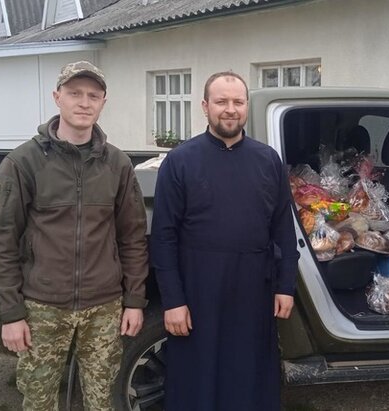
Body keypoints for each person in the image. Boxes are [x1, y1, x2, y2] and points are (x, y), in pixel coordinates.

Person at [0, 61, 149, 410]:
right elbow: (1, 242)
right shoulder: (23, 162)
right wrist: (11, 313)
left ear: (103, 102)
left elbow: (133, 238)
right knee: (39, 400)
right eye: (75, 93)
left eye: (93, 95)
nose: (84, 102)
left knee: (102, 401)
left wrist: (134, 300)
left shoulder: (118, 165)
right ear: (57, 97)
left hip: (104, 307)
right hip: (43, 307)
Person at [150, 71, 300, 411]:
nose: (230, 109)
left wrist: (285, 286)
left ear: (246, 106)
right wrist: (173, 301)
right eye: (221, 102)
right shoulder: (181, 161)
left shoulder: (268, 160)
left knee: (249, 377)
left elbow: (282, 229)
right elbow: (163, 237)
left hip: (253, 291)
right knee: (197, 381)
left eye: (237, 102)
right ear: (205, 107)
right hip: (198, 291)